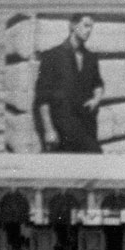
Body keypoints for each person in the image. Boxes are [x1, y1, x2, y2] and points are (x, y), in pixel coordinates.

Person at [32, 13, 103, 153]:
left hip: (87, 127)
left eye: (91, 27)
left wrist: (96, 99)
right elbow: (42, 98)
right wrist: (49, 130)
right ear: (73, 25)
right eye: (86, 25)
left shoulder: (91, 58)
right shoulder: (52, 56)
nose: (89, 30)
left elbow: (98, 84)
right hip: (61, 131)